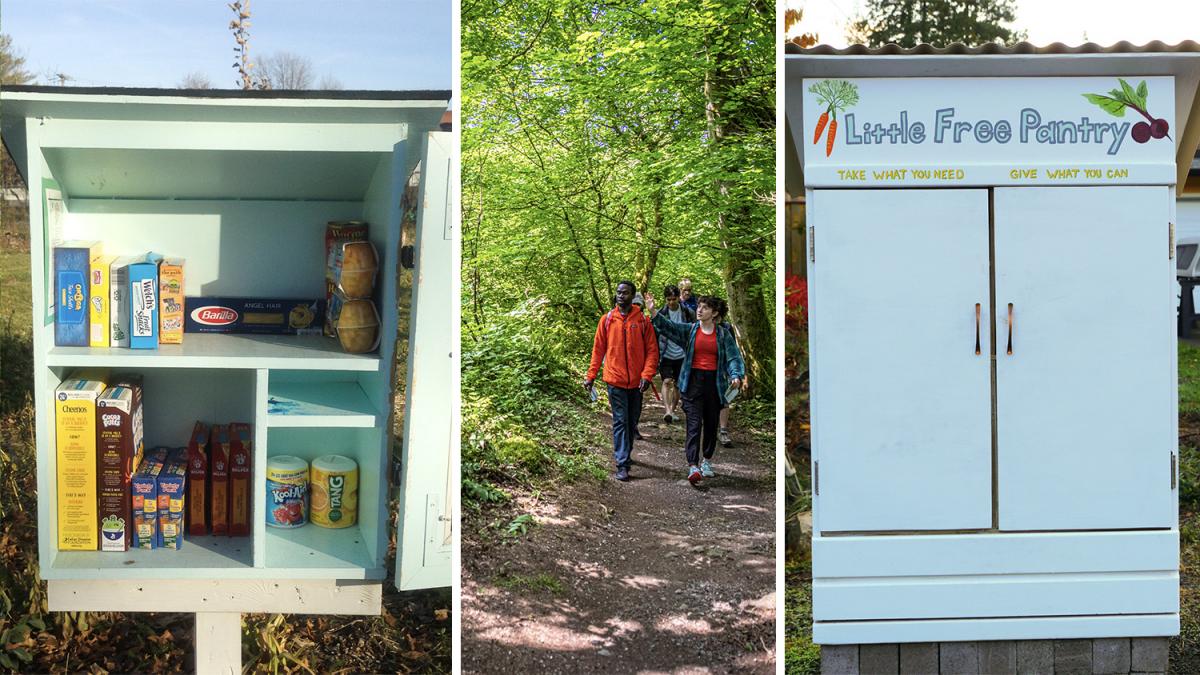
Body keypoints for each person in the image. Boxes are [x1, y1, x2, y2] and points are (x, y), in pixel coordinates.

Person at [645, 291, 744, 484]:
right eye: (699, 306)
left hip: (715, 384)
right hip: (692, 382)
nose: (699, 310)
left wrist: (736, 375)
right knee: (693, 423)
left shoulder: (723, 334)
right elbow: (669, 327)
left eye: (705, 307)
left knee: (711, 423)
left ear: (714, 313)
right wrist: (653, 311)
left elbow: (733, 357)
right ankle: (693, 465)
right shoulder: (690, 330)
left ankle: (706, 460)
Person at [584, 281, 659, 481]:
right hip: (614, 380)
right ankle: (622, 463)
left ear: (632, 296)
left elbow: (652, 351)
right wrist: (590, 376)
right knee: (620, 420)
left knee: (631, 420)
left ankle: (626, 453)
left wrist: (647, 375)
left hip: (637, 382)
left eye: (625, 293)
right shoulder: (607, 320)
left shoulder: (643, 321)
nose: (620, 296)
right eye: (618, 292)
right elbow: (598, 350)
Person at [655, 285, 695, 423]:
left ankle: (673, 410)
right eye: (668, 299)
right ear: (665, 299)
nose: (671, 302)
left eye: (674, 299)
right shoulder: (660, 314)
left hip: (683, 354)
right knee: (666, 381)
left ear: (679, 298)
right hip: (665, 353)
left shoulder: (688, 313)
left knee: (678, 384)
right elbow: (655, 334)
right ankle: (667, 411)